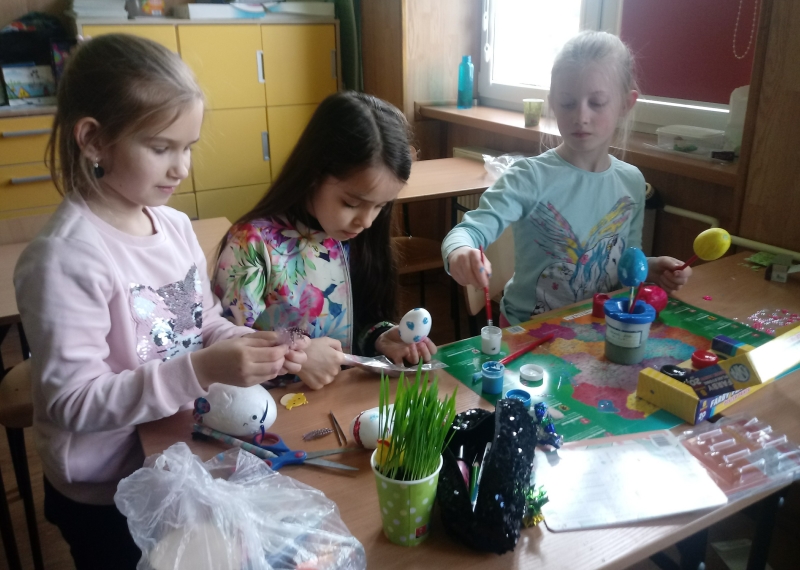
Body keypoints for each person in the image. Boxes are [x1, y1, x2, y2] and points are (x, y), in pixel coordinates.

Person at [14, 34, 308, 570]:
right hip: (106, 491)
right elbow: (70, 401)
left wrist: (254, 345)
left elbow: (202, 323)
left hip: (175, 458)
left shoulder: (172, 227)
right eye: (161, 148)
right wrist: (199, 370)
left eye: (189, 146)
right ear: (93, 140)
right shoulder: (65, 259)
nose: (182, 168)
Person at [443, 31, 693, 326]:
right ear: (552, 103)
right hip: (528, 331)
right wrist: (460, 253)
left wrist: (650, 269)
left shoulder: (632, 182)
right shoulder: (529, 177)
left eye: (597, 102)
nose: (581, 116)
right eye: (567, 103)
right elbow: (466, 232)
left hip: (599, 327)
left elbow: (626, 261)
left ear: (626, 104)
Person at [213, 91, 437, 390]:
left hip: (338, 397)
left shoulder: (356, 235)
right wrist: (297, 356)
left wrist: (379, 337)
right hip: (272, 405)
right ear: (314, 174)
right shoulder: (251, 244)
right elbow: (225, 348)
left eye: (381, 206)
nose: (367, 221)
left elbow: (353, 327)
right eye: (351, 203)